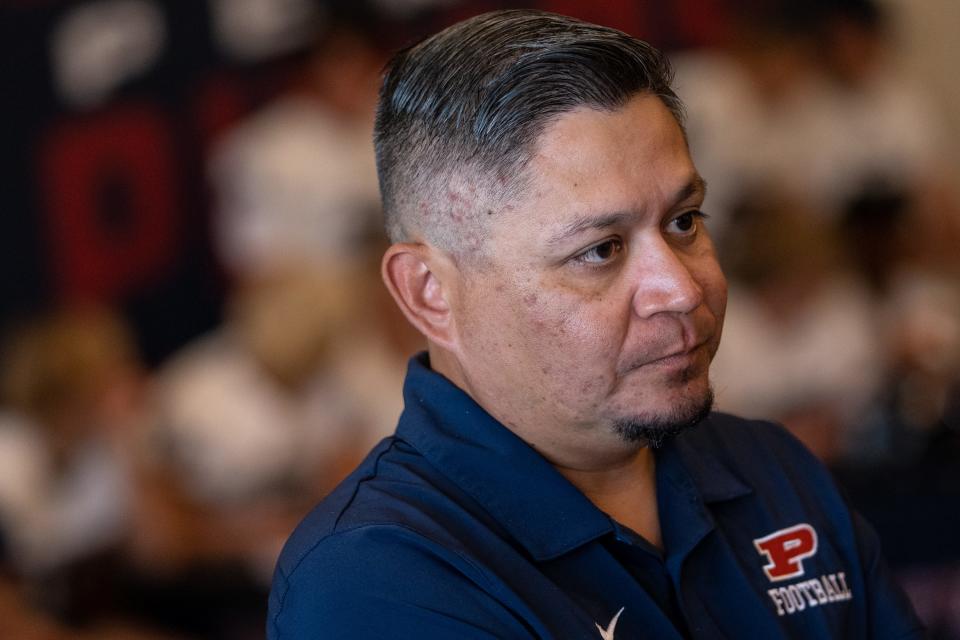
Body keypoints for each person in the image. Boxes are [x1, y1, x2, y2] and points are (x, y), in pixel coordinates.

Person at [267, 10, 924, 639]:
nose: (681, 288)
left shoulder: (773, 469)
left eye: (684, 221)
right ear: (431, 292)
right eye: (600, 249)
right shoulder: (375, 577)